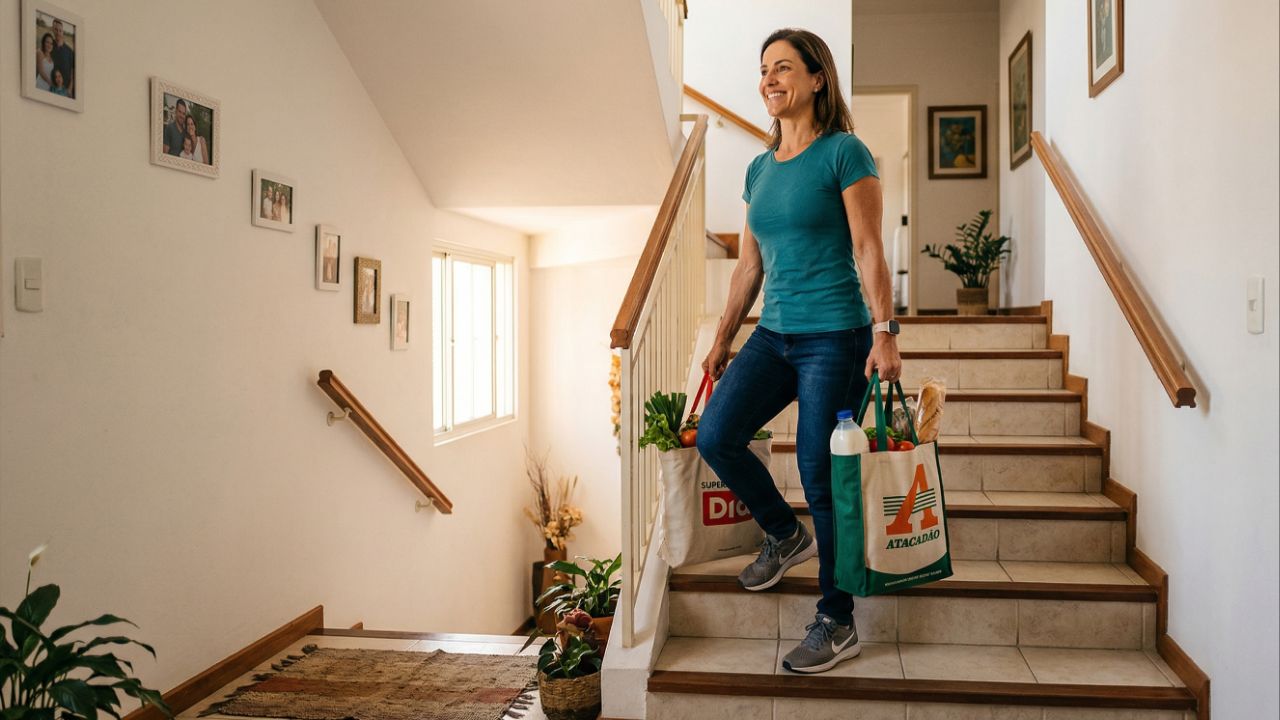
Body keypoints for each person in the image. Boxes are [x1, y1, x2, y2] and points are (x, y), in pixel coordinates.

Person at [695, 28, 902, 675]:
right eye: (763, 70)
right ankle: (784, 534)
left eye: (783, 67)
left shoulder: (846, 153)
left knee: (822, 472)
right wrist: (724, 337)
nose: (768, 80)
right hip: (775, 335)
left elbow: (869, 247)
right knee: (716, 434)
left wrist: (886, 331)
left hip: (835, 337)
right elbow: (748, 267)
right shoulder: (758, 169)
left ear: (817, 78)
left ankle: (837, 620)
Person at [50, 19, 74, 98]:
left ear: (63, 31)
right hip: (52, 89)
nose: (58, 32)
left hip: (66, 91)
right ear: (52, 30)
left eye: (60, 30)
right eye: (56, 30)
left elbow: (73, 71)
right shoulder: (49, 46)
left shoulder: (69, 51)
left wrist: (70, 89)